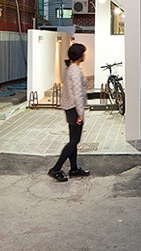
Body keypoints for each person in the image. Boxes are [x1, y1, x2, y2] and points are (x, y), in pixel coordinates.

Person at [48, 43, 91, 181]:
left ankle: (74, 169)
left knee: (73, 140)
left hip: (69, 107)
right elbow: (78, 94)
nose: (85, 55)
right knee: (74, 141)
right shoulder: (75, 71)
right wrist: (81, 113)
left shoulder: (70, 68)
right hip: (74, 108)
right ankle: (55, 169)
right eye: (83, 53)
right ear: (79, 55)